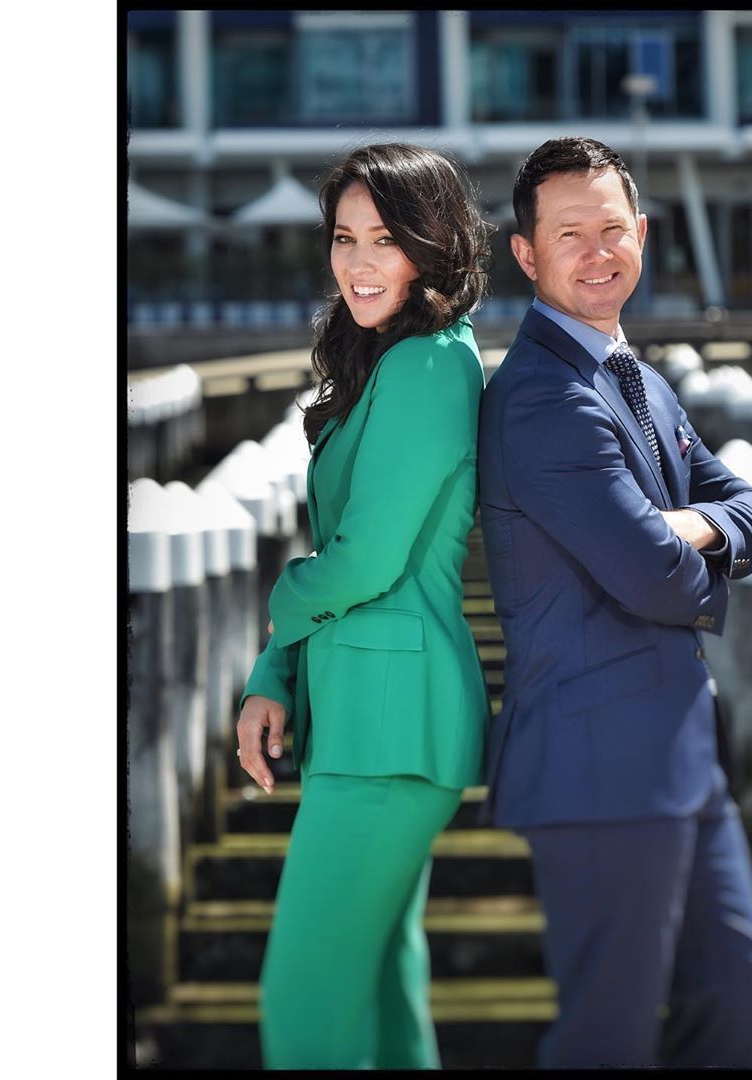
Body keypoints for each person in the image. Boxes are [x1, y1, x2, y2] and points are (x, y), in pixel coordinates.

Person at [476, 136, 752, 1068]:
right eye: (569, 234)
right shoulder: (544, 397)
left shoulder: (638, 379)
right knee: (607, 1037)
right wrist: (705, 543)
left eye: (612, 228)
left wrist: (691, 526)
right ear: (526, 253)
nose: (597, 251)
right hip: (598, 763)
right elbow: (653, 576)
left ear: (642, 235)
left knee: (745, 992)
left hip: (681, 757)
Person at [235, 143, 491, 1070]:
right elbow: (343, 553)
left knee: (304, 1002)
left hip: (393, 723)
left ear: (434, 244)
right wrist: (273, 674)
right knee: (382, 994)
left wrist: (279, 598)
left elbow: (365, 562)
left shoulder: (430, 365)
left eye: (385, 239)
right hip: (366, 718)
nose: (358, 262)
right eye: (344, 238)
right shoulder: (391, 361)